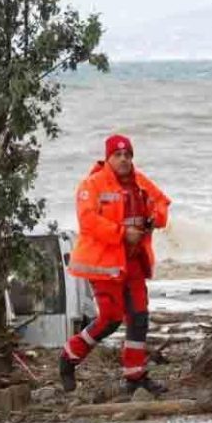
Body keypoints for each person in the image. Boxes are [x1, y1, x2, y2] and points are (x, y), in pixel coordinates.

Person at [59, 133, 171, 395]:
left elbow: (162, 203)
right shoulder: (92, 185)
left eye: (128, 155)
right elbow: (88, 220)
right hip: (104, 263)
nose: (124, 160)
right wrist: (121, 233)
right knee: (110, 319)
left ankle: (135, 376)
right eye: (118, 155)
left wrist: (154, 217)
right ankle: (69, 356)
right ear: (108, 158)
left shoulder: (140, 182)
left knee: (139, 317)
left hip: (133, 261)